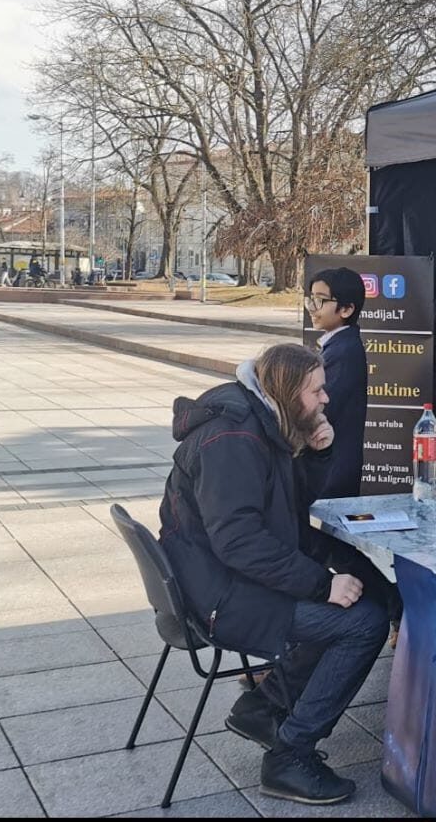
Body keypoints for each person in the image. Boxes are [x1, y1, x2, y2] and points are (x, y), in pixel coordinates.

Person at [159, 344, 387, 806]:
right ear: (286, 392)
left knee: (359, 590)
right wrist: (322, 584)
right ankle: (289, 757)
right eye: (316, 391)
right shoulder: (234, 439)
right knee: (364, 622)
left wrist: (318, 455)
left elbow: (285, 506)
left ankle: (265, 707)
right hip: (221, 597)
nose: (325, 399)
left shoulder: (259, 421)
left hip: (222, 580)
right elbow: (240, 542)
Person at [304, 268, 370, 499]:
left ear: (346, 309)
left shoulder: (343, 352)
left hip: (333, 471)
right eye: (311, 299)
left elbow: (321, 409)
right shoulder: (338, 346)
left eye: (321, 301)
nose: (312, 308)